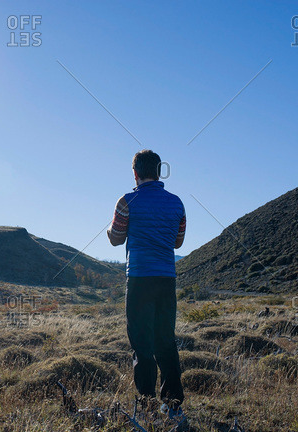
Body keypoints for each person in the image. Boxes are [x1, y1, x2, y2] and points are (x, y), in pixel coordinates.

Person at [107, 150, 187, 426]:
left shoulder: (127, 201)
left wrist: (111, 228)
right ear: (159, 170)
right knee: (166, 341)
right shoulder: (177, 203)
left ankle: (147, 406)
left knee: (142, 344)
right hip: (167, 279)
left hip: (140, 279)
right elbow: (178, 242)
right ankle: (174, 406)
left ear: (135, 173)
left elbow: (116, 239)